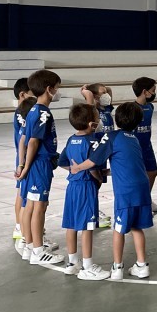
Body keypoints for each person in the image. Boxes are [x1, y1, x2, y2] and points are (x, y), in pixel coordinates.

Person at [72, 102, 153, 280]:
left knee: (119, 229)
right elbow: (126, 163)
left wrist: (78, 167)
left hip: (126, 192)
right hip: (142, 188)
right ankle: (142, 265)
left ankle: (117, 267)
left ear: (117, 119)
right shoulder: (134, 139)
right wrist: (108, 171)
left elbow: (93, 160)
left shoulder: (112, 137)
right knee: (137, 227)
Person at [16, 70, 65, 266]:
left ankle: (29, 246)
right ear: (49, 89)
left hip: (35, 164)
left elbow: (24, 140)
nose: (58, 92)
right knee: (39, 207)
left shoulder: (33, 110)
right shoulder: (43, 113)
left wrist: (22, 164)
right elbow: (33, 142)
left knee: (32, 205)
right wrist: (27, 167)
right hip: (40, 164)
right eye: (57, 88)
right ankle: (38, 250)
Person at [57, 103, 111, 281]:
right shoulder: (92, 141)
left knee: (71, 224)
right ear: (91, 124)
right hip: (86, 187)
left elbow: (62, 162)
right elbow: (93, 166)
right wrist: (99, 177)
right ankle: (88, 266)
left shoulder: (71, 139)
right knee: (88, 226)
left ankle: (72, 263)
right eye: (96, 118)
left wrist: (74, 170)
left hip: (72, 186)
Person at [80, 83, 114, 229]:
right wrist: (87, 94)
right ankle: (90, 212)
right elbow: (89, 109)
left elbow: (109, 93)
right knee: (94, 181)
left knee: (98, 183)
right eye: (102, 93)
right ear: (94, 97)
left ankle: (93, 209)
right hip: (96, 150)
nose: (106, 95)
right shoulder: (93, 112)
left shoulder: (106, 109)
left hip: (105, 151)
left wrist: (104, 90)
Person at [130, 76, 157, 214]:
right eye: (153, 90)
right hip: (135, 148)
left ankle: (146, 199)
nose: (154, 93)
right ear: (144, 91)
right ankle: (137, 202)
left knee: (152, 172)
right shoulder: (132, 108)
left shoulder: (150, 107)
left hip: (147, 145)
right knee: (137, 176)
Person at [11, 77, 31, 243]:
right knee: (22, 194)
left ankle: (21, 225)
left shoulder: (22, 112)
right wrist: (22, 163)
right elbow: (24, 139)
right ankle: (20, 227)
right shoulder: (22, 113)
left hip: (22, 156)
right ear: (23, 94)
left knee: (21, 192)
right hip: (24, 158)